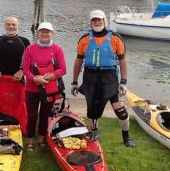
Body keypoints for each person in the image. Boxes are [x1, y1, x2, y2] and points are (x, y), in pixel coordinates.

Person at [71, 10, 135, 147]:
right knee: (92, 111)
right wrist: (74, 82)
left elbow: (123, 60)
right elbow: (78, 61)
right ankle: (94, 132)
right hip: (90, 78)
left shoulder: (115, 38)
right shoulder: (84, 39)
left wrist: (123, 82)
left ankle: (126, 137)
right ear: (90, 22)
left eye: (99, 20)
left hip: (109, 78)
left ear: (104, 20)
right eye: (94, 20)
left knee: (121, 111)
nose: (97, 22)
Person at [22, 22, 67, 151]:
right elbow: (25, 69)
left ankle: (42, 139)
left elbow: (63, 70)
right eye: (42, 31)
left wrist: (47, 77)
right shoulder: (30, 49)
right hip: (32, 88)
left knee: (44, 114)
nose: (44, 34)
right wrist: (35, 78)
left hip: (49, 89)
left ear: (52, 33)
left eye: (47, 31)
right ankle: (30, 139)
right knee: (31, 115)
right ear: (38, 33)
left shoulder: (57, 49)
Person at [0, 16, 30, 125]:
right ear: (4, 25)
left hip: (18, 78)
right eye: (8, 24)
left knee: (18, 102)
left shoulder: (24, 41)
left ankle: (18, 123)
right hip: (0, 77)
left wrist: (21, 71)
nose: (11, 27)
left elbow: (29, 60)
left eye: (13, 24)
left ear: (18, 26)